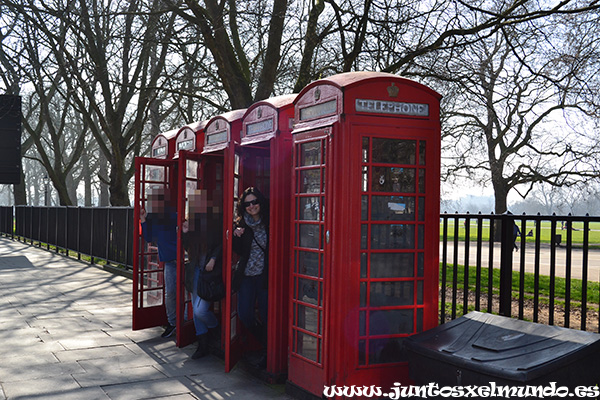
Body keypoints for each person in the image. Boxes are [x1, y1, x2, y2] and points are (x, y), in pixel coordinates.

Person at [182, 189, 222, 359]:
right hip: (195, 271)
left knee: (199, 311)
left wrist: (213, 258)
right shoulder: (191, 223)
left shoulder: (215, 221)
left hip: (209, 272)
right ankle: (203, 344)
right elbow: (186, 249)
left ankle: (216, 328)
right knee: (195, 307)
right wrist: (184, 233)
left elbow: (222, 243)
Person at [232, 187, 269, 368]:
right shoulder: (241, 225)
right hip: (246, 276)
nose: (252, 206)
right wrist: (234, 236)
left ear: (260, 202)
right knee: (245, 313)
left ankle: (268, 351)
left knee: (266, 315)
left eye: (254, 202)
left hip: (265, 276)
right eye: (247, 204)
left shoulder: (269, 222)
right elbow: (238, 251)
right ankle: (264, 339)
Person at [140, 187, 178, 338]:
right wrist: (143, 218)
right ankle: (173, 322)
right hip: (169, 260)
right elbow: (148, 238)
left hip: (185, 259)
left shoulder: (174, 215)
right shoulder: (152, 218)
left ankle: (188, 322)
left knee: (189, 293)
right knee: (170, 294)